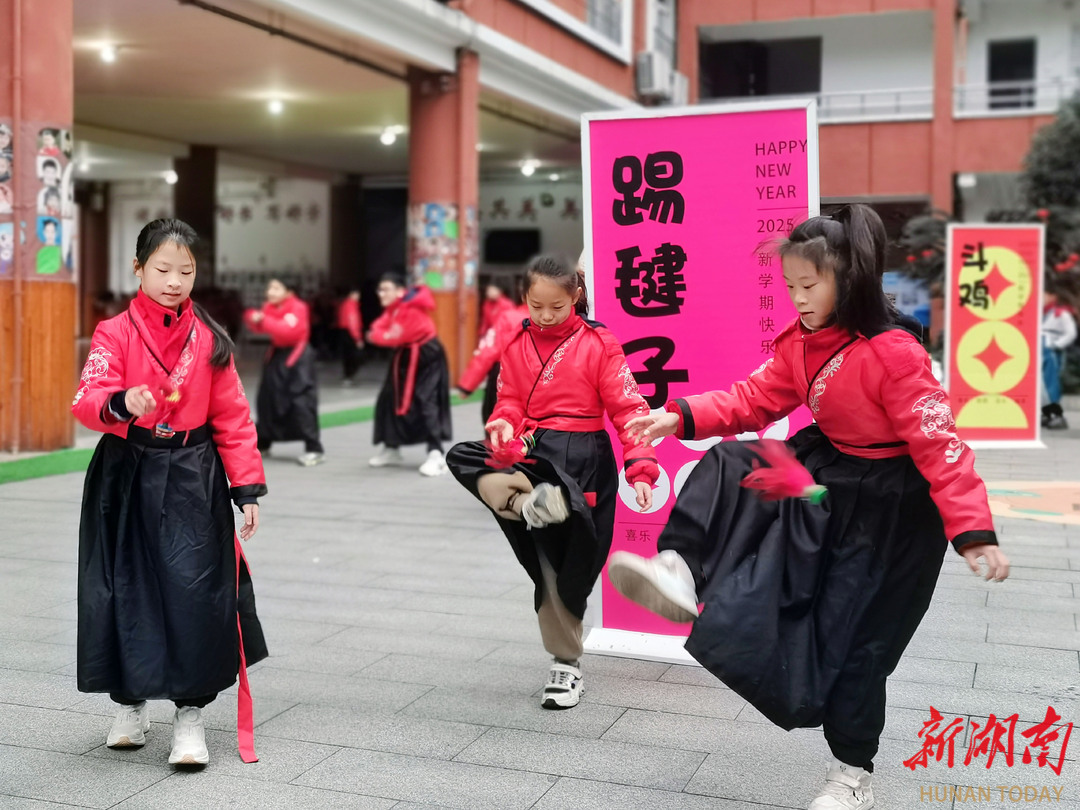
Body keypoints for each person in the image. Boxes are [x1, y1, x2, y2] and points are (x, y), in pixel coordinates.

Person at [607, 205, 1010, 810]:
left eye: (808, 285)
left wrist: (973, 530)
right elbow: (754, 397)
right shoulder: (801, 344)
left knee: (856, 643)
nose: (796, 297)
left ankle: (852, 773)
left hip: (891, 513)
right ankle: (680, 569)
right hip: (825, 484)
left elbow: (941, 444)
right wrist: (678, 414)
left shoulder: (893, 353)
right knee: (735, 465)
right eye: (789, 285)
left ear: (849, 280)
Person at [72, 218, 268, 767]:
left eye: (186, 270)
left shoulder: (210, 338)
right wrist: (121, 402)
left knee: (195, 593)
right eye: (162, 269)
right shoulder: (113, 331)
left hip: (192, 473)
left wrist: (245, 487)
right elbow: (89, 395)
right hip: (125, 471)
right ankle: (130, 705)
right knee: (119, 588)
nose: (175, 281)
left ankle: (189, 716)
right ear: (137, 269)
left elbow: (233, 417)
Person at [445, 254, 658, 709]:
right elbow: (508, 402)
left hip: (584, 457)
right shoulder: (517, 342)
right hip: (532, 453)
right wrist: (502, 424)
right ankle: (528, 504)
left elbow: (629, 408)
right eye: (536, 306)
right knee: (463, 455)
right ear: (525, 298)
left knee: (574, 567)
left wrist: (641, 466)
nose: (544, 316)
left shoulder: (600, 343)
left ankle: (567, 662)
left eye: (556, 308)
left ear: (576, 297)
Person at [367, 274, 453, 476]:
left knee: (426, 401)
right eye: (380, 289)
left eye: (386, 289)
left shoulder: (411, 307)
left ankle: (436, 454)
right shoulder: (395, 308)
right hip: (404, 355)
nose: (381, 293)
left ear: (399, 291)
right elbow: (378, 327)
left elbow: (391, 336)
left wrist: (376, 336)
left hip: (426, 357)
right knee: (388, 399)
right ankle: (391, 447)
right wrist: (378, 334)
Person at [244, 279, 325, 466]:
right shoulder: (269, 307)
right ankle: (264, 442)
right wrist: (253, 318)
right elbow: (256, 325)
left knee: (300, 401)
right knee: (268, 398)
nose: (270, 291)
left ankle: (314, 448)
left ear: (288, 292)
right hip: (277, 356)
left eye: (275, 288)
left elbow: (289, 332)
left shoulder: (298, 307)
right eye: (269, 287)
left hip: (298, 358)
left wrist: (263, 319)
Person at [458, 285, 529, 425]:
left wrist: (467, 385)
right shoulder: (565, 321)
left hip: (505, 375)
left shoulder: (509, 316)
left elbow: (490, 350)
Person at [1041, 288, 1076, 430]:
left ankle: (1057, 416)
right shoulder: (1040, 313)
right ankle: (1047, 414)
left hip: (1051, 353)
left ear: (1053, 295)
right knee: (1040, 387)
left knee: (1051, 385)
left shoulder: (1061, 313)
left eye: (1045, 294)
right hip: (1038, 352)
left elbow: (1071, 333)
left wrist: (1056, 345)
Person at [336, 289, 365, 386]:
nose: (358, 297)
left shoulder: (346, 304)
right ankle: (349, 375)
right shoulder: (351, 305)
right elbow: (353, 322)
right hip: (350, 333)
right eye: (357, 294)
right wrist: (357, 338)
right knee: (353, 356)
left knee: (347, 356)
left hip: (345, 332)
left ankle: (347, 375)